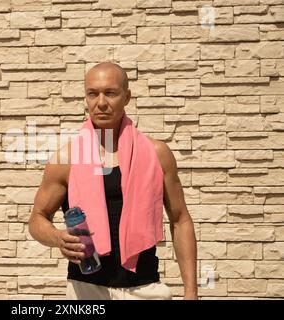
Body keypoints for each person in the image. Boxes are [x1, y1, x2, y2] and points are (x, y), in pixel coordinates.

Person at [28, 62, 198, 300]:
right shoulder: (66, 158)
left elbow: (180, 220)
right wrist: (57, 238)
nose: (101, 103)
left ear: (127, 97)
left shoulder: (156, 153)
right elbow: (37, 218)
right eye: (92, 94)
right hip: (85, 289)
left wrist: (191, 293)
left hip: (145, 288)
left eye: (110, 93)